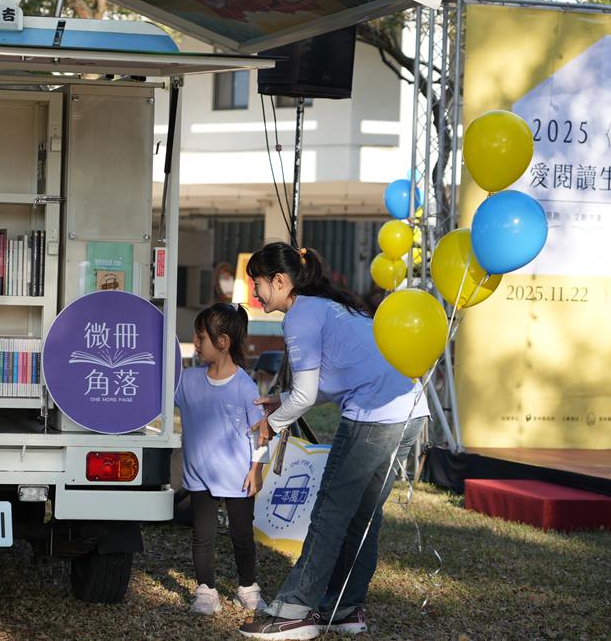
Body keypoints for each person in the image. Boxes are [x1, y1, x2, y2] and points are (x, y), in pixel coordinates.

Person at [238, 243, 430, 640]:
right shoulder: (328, 306)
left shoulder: (299, 317)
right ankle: (344, 608)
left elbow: (306, 396)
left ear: (279, 281)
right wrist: (283, 400)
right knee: (363, 517)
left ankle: (293, 611)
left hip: (375, 417)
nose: (255, 294)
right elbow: (337, 377)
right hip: (410, 410)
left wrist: (272, 423)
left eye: (257, 284)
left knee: (330, 514)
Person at [175, 302, 271, 615]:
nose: (196, 342)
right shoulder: (187, 381)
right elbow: (157, 398)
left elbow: (261, 432)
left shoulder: (244, 385)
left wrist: (256, 470)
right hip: (200, 476)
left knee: (242, 536)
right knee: (202, 536)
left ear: (222, 342)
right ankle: (206, 591)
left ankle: (248, 587)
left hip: (239, 477)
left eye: (201, 337)